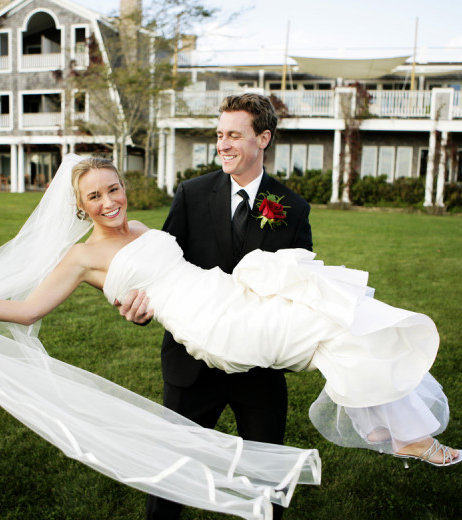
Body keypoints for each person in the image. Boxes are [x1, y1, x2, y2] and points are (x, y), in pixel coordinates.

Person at [0, 155, 462, 464]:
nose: (110, 202)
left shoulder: (138, 227)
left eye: (114, 189)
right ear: (78, 205)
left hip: (225, 292)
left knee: (332, 310)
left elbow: (159, 270)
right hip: (214, 324)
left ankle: (384, 423)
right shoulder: (80, 257)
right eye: (95, 198)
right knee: (330, 321)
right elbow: (25, 309)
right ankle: (397, 428)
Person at [118, 93, 312, 520]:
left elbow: (302, 286)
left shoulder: (292, 209)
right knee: (170, 474)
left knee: (267, 478)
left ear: (263, 138)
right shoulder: (191, 194)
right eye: (219, 135)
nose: (222, 145)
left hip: (259, 369)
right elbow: (161, 269)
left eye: (234, 136)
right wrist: (141, 308)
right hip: (191, 364)